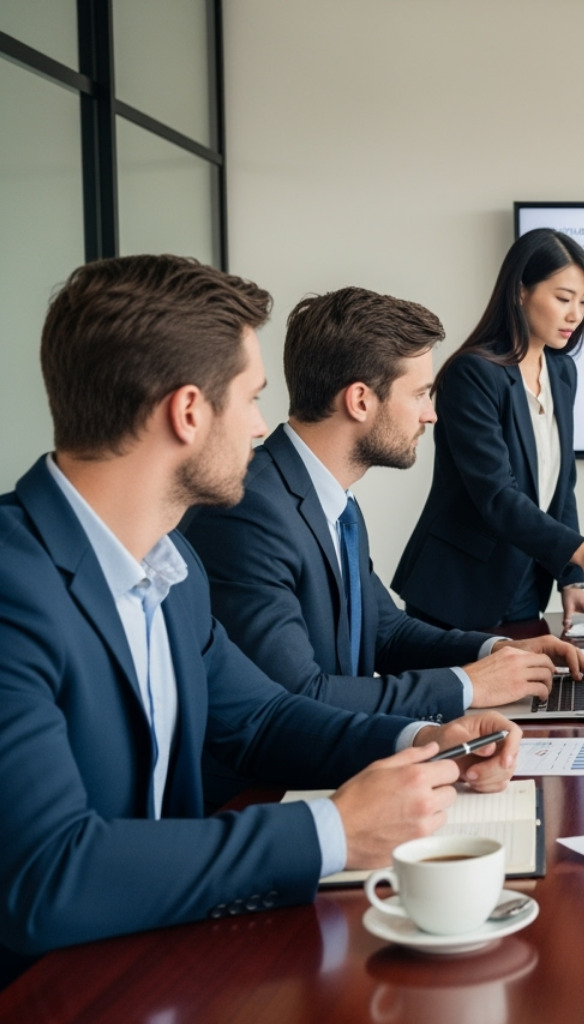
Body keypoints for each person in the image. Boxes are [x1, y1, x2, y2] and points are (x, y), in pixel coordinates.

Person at [0, 255, 521, 981]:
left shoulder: (170, 567)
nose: (259, 427)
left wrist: (425, 742)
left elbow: (263, 719)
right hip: (55, 989)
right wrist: (331, 830)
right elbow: (48, 874)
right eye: (250, 398)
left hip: (162, 953)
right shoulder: (13, 585)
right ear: (188, 412)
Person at [182, 287, 584, 800]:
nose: (431, 414)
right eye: (420, 394)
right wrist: (469, 684)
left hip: (340, 771)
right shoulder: (250, 512)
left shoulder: (331, 498)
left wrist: (499, 652)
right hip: (267, 797)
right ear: (360, 400)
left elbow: (386, 632)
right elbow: (298, 694)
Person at [393, 229, 584, 631]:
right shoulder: (473, 373)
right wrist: (581, 551)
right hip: (458, 589)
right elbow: (496, 494)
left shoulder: (562, 371)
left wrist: (571, 578)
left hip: (525, 583)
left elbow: (562, 485)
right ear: (520, 291)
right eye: (563, 298)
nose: (575, 315)